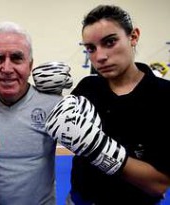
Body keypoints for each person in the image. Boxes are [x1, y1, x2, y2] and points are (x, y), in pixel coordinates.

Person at [44, 4, 170, 205]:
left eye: (110, 42)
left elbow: (159, 183)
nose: (100, 57)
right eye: (91, 48)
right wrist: (48, 98)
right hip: (78, 200)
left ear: (133, 36)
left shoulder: (164, 96)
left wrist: (98, 149)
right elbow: (65, 132)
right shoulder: (88, 87)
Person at [0, 21, 68, 205]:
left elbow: (87, 163)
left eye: (16, 58)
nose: (7, 69)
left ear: (30, 65)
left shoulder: (53, 105)